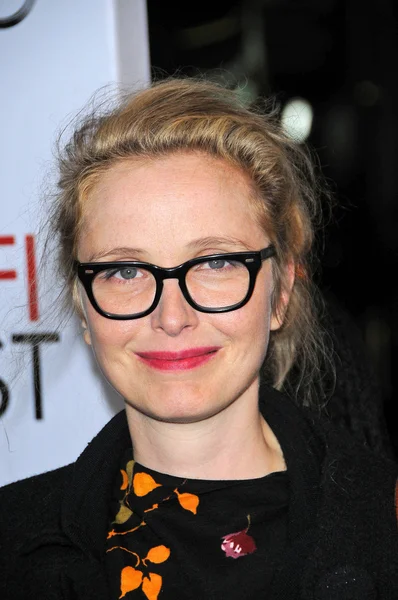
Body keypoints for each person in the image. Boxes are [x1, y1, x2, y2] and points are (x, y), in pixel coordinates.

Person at [0, 78, 397, 600]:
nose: (171, 316)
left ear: (279, 295)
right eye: (124, 271)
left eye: (215, 262)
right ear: (83, 307)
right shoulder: (12, 544)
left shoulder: (384, 523)